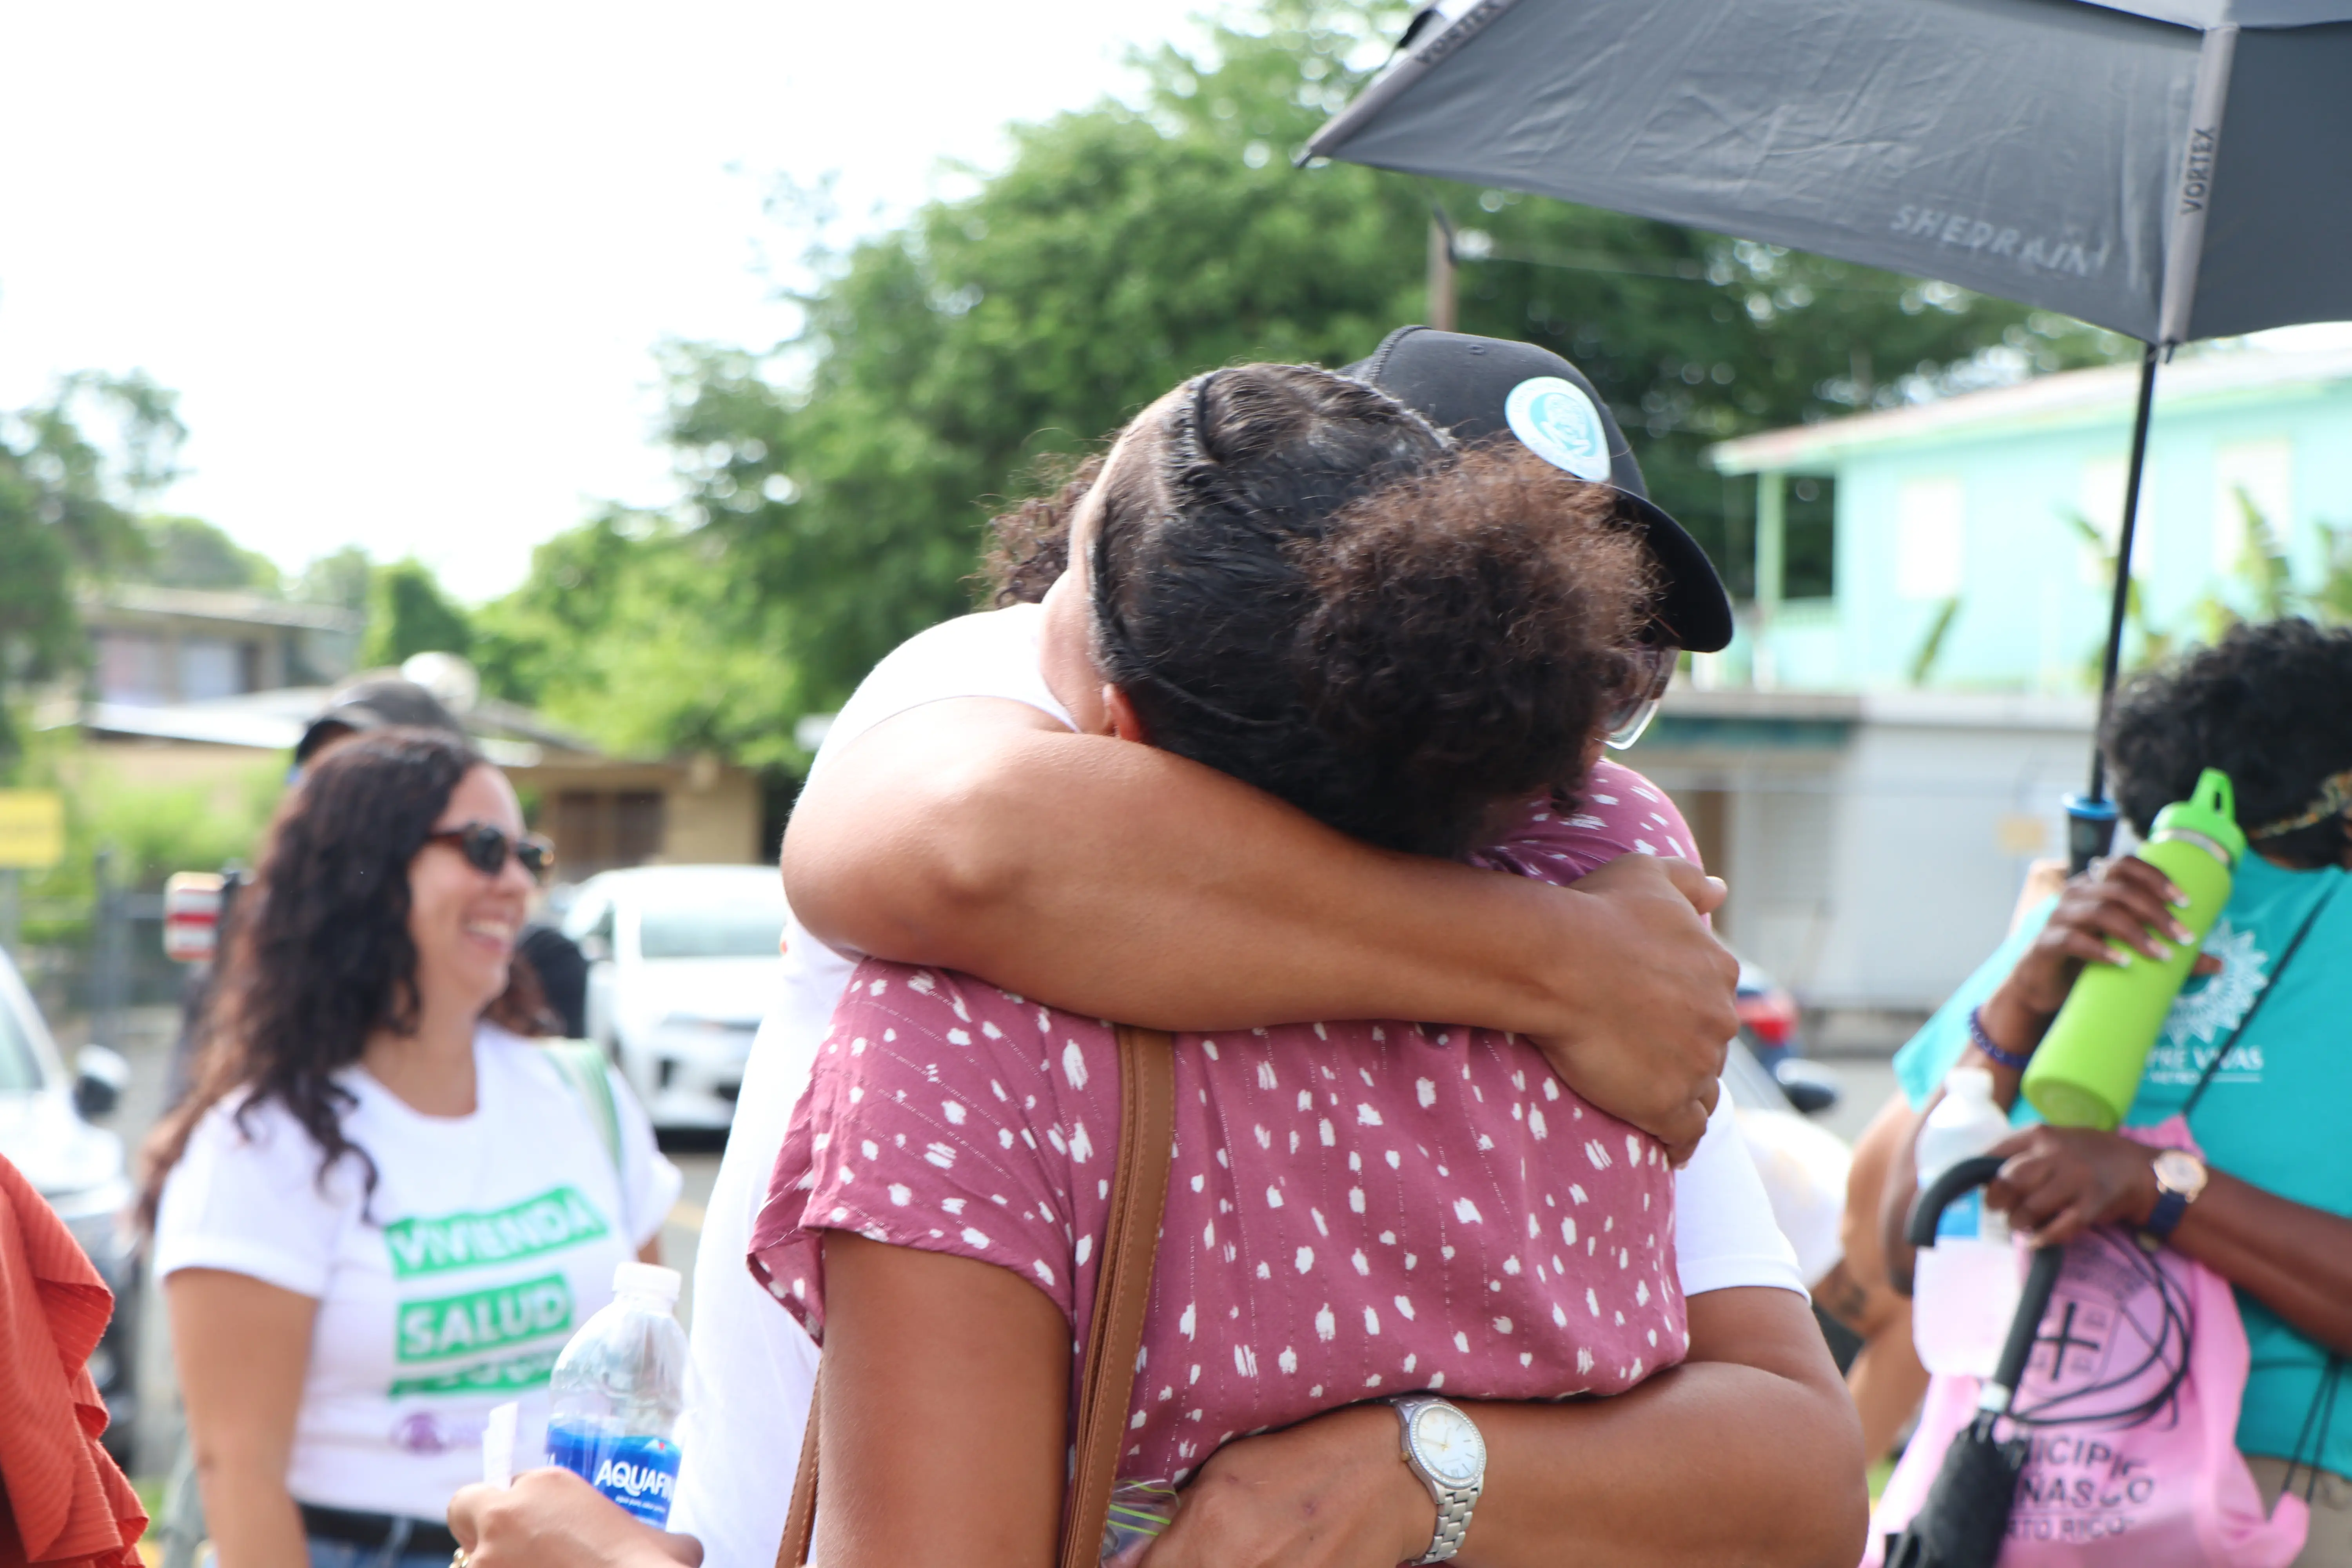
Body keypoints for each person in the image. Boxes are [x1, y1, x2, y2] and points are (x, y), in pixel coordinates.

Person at [662, 330, 1821, 1568]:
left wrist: (1416, 1475)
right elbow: (964, 844)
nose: (1556, 726)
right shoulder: (998, 708)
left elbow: (1799, 1470)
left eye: (1611, 659)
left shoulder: (1594, 860)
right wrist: (1564, 965)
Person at [143, 728, 681, 1568]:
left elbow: (651, 1371)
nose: (513, 881)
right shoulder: (261, 1141)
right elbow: (237, 1469)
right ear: (365, 870)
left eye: (524, 854)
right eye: (481, 847)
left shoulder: (583, 1093)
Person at [1882, 617, 2352, 1564]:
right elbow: (1912, 1239)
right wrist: (2156, 1184)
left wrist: (2023, 1005)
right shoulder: (2068, 935)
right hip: (2287, 1502)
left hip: (2024, 1496)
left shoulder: (2084, 920)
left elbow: (1900, 1243)